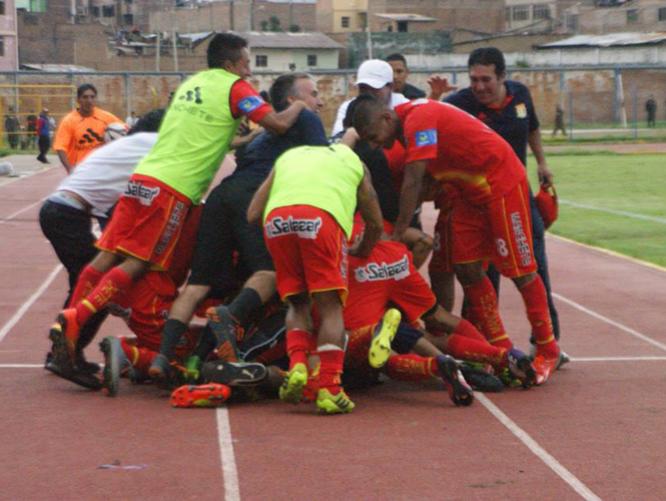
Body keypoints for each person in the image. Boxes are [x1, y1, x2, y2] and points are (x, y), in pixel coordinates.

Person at [48, 33, 308, 375]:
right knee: (138, 262)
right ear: (230, 64)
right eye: (246, 63)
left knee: (107, 253)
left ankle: (72, 332)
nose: (249, 71)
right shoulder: (235, 87)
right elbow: (276, 124)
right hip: (172, 188)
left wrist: (248, 136)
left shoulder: (194, 85)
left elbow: (218, 136)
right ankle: (76, 317)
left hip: (142, 179)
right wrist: (299, 106)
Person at [352, 95, 561, 385]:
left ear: (386, 119)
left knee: (520, 270)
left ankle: (548, 348)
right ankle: (501, 350)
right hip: (465, 192)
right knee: (466, 269)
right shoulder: (403, 123)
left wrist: (398, 235)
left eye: (375, 137)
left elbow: (414, 179)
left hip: (498, 181)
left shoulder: (418, 120)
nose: (377, 145)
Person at [153, 72, 328, 380]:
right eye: (313, 94)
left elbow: (244, 151)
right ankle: (226, 322)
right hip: (254, 194)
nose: (320, 101)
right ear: (293, 100)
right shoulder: (307, 119)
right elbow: (321, 163)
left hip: (222, 195)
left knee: (198, 284)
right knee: (269, 273)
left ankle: (166, 358)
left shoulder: (261, 133)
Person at [444, 47, 564, 364]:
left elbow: (533, 128)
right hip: (479, 205)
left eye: (486, 79)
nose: (479, 86)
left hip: (518, 197)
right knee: (484, 274)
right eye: (473, 80)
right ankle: (485, 346)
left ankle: (547, 342)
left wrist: (541, 162)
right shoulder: (459, 104)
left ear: (502, 77)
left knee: (534, 266)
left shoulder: (521, 96)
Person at [247, 144, 384, 414]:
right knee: (330, 306)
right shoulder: (354, 162)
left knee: (297, 303)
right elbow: (376, 222)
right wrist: (361, 249)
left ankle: (297, 363)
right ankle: (330, 387)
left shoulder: (288, 155)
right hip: (321, 219)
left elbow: (252, 214)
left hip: (277, 221)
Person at [41, 110, 165, 386]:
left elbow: (114, 209)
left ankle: (64, 351)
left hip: (60, 210)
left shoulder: (125, 147)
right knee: (98, 292)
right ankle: (65, 356)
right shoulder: (152, 143)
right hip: (66, 214)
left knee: (83, 284)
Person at [53, 84, 123, 173]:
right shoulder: (69, 121)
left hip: (103, 166)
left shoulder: (106, 117)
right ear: (78, 100)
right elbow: (60, 147)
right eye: (85, 97)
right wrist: (69, 169)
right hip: (80, 168)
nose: (89, 101)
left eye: (92, 97)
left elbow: (124, 131)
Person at [331, 59, 410, 137]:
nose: (368, 93)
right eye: (363, 88)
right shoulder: (349, 107)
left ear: (390, 86)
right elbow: (339, 139)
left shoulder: (406, 107)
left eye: (374, 89)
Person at [385, 53, 453, 101]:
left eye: (399, 71)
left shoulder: (417, 95)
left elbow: (423, 113)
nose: (394, 76)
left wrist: (435, 95)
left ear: (407, 73)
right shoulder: (377, 94)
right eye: (390, 72)